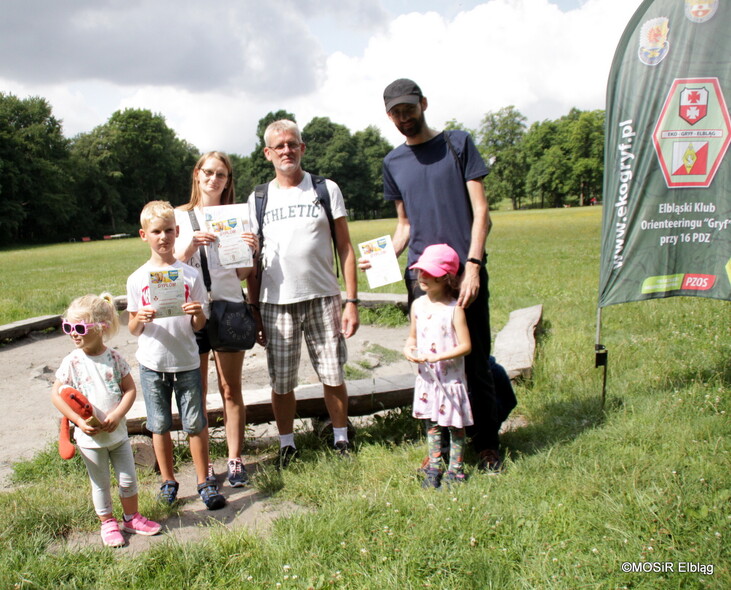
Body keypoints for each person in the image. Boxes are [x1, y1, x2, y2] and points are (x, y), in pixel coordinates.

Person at [374, 78, 502, 470]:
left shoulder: (457, 144)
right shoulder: (393, 162)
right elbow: (405, 226)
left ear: (423, 104)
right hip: (422, 280)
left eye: (408, 109)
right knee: (431, 365)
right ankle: (441, 448)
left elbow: (482, 213)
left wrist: (475, 265)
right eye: (395, 112)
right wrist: (382, 258)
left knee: (475, 361)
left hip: (463, 275)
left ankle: (486, 444)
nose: (403, 117)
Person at [246, 119, 360, 466]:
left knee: (333, 373)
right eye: (279, 146)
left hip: (323, 296)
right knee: (282, 381)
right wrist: (254, 309)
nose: (286, 150)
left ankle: (340, 438)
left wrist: (351, 301)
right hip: (276, 304)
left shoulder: (325, 189)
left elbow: (345, 247)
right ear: (268, 153)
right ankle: (287, 444)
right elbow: (252, 260)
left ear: (302, 148)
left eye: (292, 144)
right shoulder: (258, 198)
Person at [126, 200, 225, 510]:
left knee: (195, 423)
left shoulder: (189, 275)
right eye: (156, 231)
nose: (163, 237)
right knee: (159, 425)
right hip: (152, 363)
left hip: (186, 361)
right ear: (144, 235)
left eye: (169, 231)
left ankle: (204, 482)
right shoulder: (137, 279)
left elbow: (199, 324)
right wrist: (139, 319)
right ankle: (168, 481)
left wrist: (197, 313)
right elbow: (131, 328)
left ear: (177, 232)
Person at [51, 293, 162, 547]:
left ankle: (131, 518)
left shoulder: (114, 359)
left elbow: (130, 390)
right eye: (68, 327)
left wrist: (117, 415)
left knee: (128, 478)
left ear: (100, 328)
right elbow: (57, 396)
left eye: (79, 328)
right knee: (100, 483)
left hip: (118, 434)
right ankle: (107, 522)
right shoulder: (72, 362)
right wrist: (78, 422)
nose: (73, 334)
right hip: (89, 440)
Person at [175, 151, 258, 488]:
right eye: (208, 172)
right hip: (191, 313)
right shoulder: (178, 217)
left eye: (221, 174)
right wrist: (189, 246)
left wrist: (250, 251)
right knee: (198, 391)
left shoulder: (237, 216)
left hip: (228, 308)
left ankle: (235, 459)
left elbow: (242, 273)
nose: (214, 179)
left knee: (230, 389)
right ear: (197, 174)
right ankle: (205, 464)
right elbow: (167, 269)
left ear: (228, 180)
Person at [403, 244, 473, 488]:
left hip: (450, 381)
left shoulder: (455, 310)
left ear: (446, 278)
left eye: (430, 273)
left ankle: (456, 470)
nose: (423, 277)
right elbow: (412, 337)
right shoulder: (417, 306)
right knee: (431, 425)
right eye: (421, 271)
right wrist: (408, 349)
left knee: (455, 426)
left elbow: (466, 346)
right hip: (428, 381)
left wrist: (439, 356)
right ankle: (434, 466)